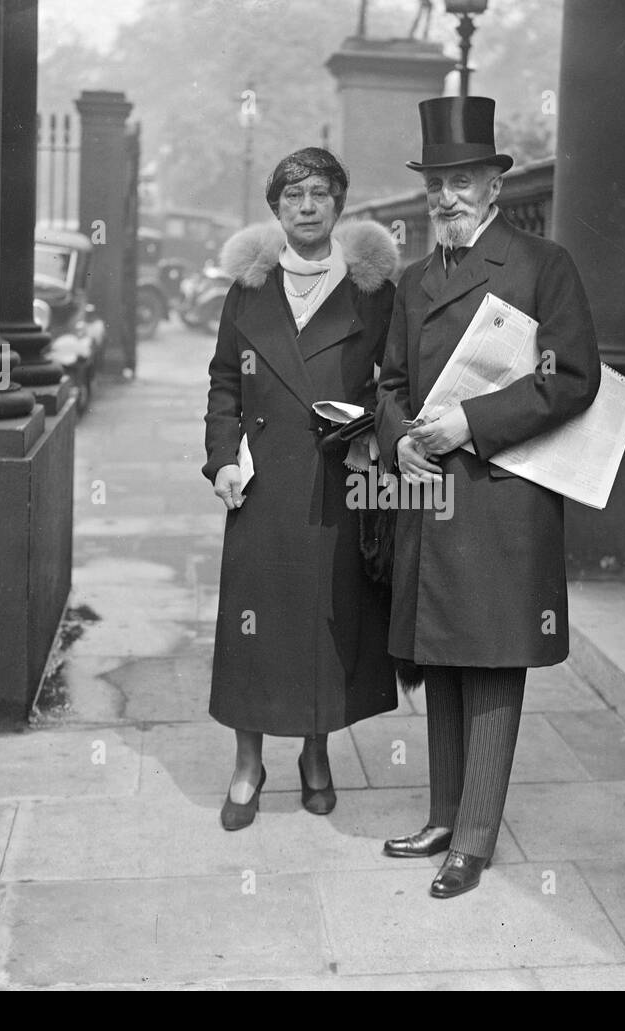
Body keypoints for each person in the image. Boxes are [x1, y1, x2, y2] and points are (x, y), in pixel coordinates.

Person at [375, 97, 602, 897]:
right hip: (431, 495)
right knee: (440, 652)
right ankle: (443, 815)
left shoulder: (543, 265)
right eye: (437, 182)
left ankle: (473, 837)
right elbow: (391, 382)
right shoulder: (411, 280)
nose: (447, 196)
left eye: (462, 179)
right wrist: (400, 437)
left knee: (494, 658)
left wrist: (467, 423)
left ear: (494, 185)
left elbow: (572, 379)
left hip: (503, 496)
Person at [203, 147, 400, 830]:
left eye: (320, 193)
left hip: (336, 483)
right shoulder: (249, 289)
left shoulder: (373, 293)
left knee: (324, 621)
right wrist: (222, 459)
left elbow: (394, 382)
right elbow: (225, 381)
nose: (308, 206)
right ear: (275, 209)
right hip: (261, 486)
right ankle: (248, 762)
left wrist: (372, 426)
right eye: (293, 196)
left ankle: (316, 754)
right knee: (255, 626)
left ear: (340, 204)